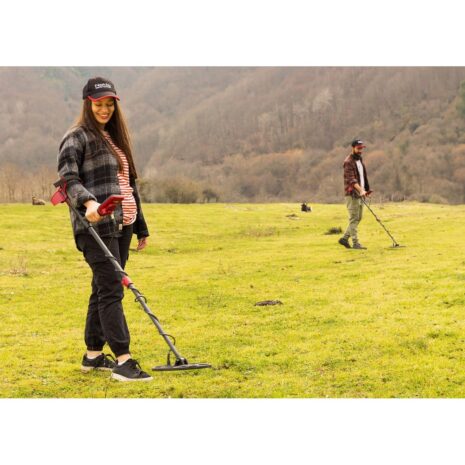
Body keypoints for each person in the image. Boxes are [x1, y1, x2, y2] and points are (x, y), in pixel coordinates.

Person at [57, 77, 152, 382]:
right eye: (99, 103)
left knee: (103, 287)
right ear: (88, 103)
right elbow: (69, 180)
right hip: (95, 225)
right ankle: (123, 360)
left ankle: (93, 355)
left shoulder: (113, 137)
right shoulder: (76, 137)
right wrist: (88, 204)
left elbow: (128, 186)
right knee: (112, 287)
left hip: (120, 225)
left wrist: (140, 227)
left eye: (110, 103)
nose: (105, 108)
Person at [338, 139, 371, 250]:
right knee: (354, 218)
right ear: (353, 148)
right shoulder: (348, 162)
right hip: (352, 195)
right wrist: (360, 190)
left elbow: (362, 178)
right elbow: (351, 180)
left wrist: (365, 190)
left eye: (362, 148)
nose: (361, 150)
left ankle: (344, 238)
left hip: (360, 194)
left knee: (358, 218)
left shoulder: (359, 160)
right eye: (358, 148)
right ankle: (355, 243)